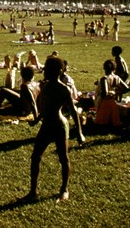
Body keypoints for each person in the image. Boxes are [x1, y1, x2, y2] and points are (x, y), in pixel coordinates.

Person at [23, 56, 85, 203]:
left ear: (57, 71)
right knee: (35, 157)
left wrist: (80, 133)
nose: (44, 73)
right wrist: (37, 120)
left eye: (48, 70)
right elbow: (45, 107)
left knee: (63, 159)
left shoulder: (63, 89)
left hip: (59, 127)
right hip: (46, 126)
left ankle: (64, 189)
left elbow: (73, 110)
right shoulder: (44, 86)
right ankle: (33, 192)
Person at [94, 59, 130, 129]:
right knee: (113, 121)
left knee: (101, 123)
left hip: (104, 103)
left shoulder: (104, 79)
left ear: (104, 68)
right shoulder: (117, 78)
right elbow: (127, 88)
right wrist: (116, 93)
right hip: (113, 102)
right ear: (114, 68)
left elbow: (105, 93)